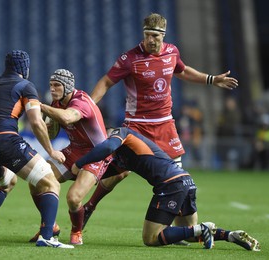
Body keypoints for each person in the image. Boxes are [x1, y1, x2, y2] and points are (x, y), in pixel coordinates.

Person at [82, 12, 239, 227]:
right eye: (147, 35)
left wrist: (210, 79)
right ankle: (89, 206)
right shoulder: (130, 59)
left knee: (176, 177)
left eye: (155, 36)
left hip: (165, 125)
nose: (151, 40)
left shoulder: (172, 52)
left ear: (163, 35)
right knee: (120, 172)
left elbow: (182, 71)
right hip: (136, 126)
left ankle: (181, 229)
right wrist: (86, 106)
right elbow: (106, 82)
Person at [72, 127, 260, 251]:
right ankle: (229, 235)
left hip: (170, 184)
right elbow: (105, 173)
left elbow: (107, 146)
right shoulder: (124, 157)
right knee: (190, 233)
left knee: (151, 238)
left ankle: (202, 228)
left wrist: (79, 163)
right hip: (185, 181)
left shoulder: (121, 133)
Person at [0, 50, 73, 248]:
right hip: (5, 140)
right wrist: (50, 151)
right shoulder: (25, 85)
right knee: (50, 182)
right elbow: (35, 121)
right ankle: (48, 236)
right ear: (25, 67)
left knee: (8, 182)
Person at [28, 69, 109, 245]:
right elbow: (52, 133)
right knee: (36, 179)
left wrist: (39, 106)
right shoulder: (56, 103)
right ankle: (49, 226)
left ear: (68, 87)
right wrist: (40, 124)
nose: (52, 89)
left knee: (73, 198)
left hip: (96, 154)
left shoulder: (82, 101)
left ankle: (76, 231)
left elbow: (66, 118)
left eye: (57, 85)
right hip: (74, 150)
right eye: (51, 85)